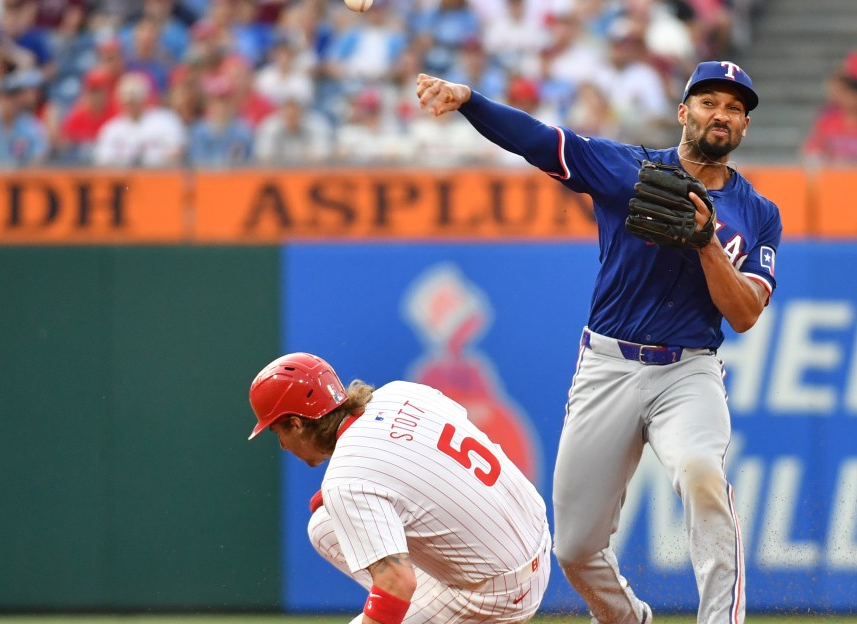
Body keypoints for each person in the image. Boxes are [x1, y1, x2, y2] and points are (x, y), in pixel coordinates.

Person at [416, 59, 781, 624]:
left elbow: (746, 313)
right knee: (575, 548)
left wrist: (707, 242)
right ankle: (627, 618)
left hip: (689, 371)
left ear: (744, 126)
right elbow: (542, 142)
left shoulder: (758, 214)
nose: (721, 114)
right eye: (709, 102)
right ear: (683, 113)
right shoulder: (627, 168)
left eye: (734, 108)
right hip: (607, 365)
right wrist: (470, 100)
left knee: (703, 476)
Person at [247, 352, 551, 624]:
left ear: (296, 424)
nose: (282, 445)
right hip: (536, 535)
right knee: (324, 525)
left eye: (277, 431)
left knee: (386, 586)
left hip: (496, 595)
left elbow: (397, 583)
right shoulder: (400, 393)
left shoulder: (346, 480)